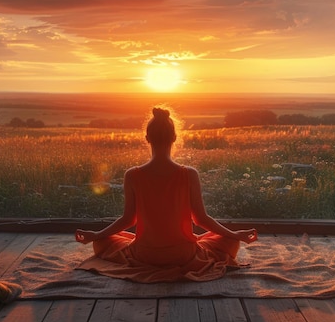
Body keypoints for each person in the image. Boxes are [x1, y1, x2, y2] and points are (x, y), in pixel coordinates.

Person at [75, 106, 257, 283]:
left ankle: (115, 241)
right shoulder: (189, 174)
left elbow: (128, 220)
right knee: (230, 242)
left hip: (144, 254)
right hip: (184, 255)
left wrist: (96, 235)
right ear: (175, 137)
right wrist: (235, 235)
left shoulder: (132, 175)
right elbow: (201, 220)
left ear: (147, 138)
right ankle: (207, 241)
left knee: (101, 243)